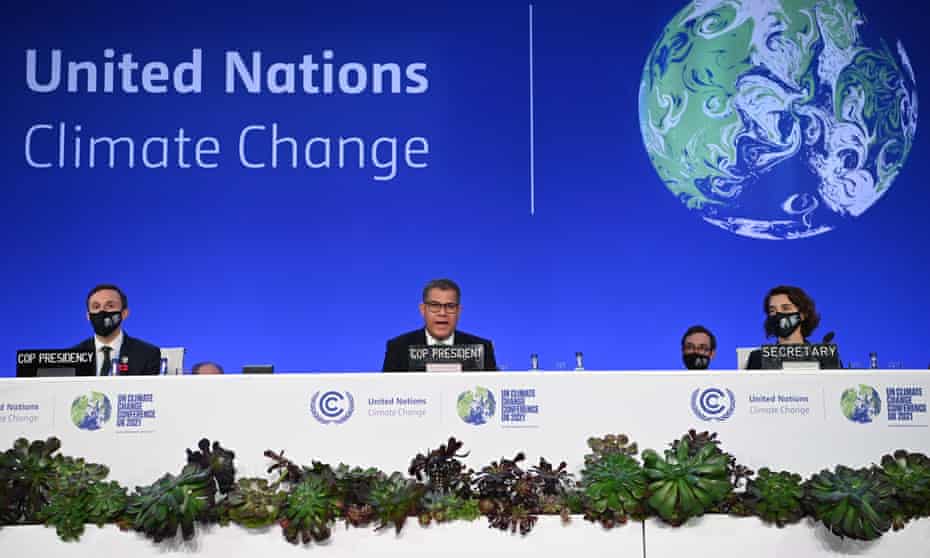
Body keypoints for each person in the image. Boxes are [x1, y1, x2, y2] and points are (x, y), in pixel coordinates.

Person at [382, 278, 497, 372]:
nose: (442, 313)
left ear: (459, 311)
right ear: (423, 310)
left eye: (450, 306)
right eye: (434, 305)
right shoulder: (398, 348)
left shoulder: (481, 348)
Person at [72, 284, 162, 376]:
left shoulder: (147, 354)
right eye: (96, 307)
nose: (102, 311)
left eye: (110, 306)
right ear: (88, 316)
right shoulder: (72, 356)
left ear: (124, 313)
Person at [746, 285, 840, 369]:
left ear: (803, 314)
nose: (778, 315)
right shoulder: (758, 358)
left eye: (786, 308)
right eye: (772, 311)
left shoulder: (825, 355)